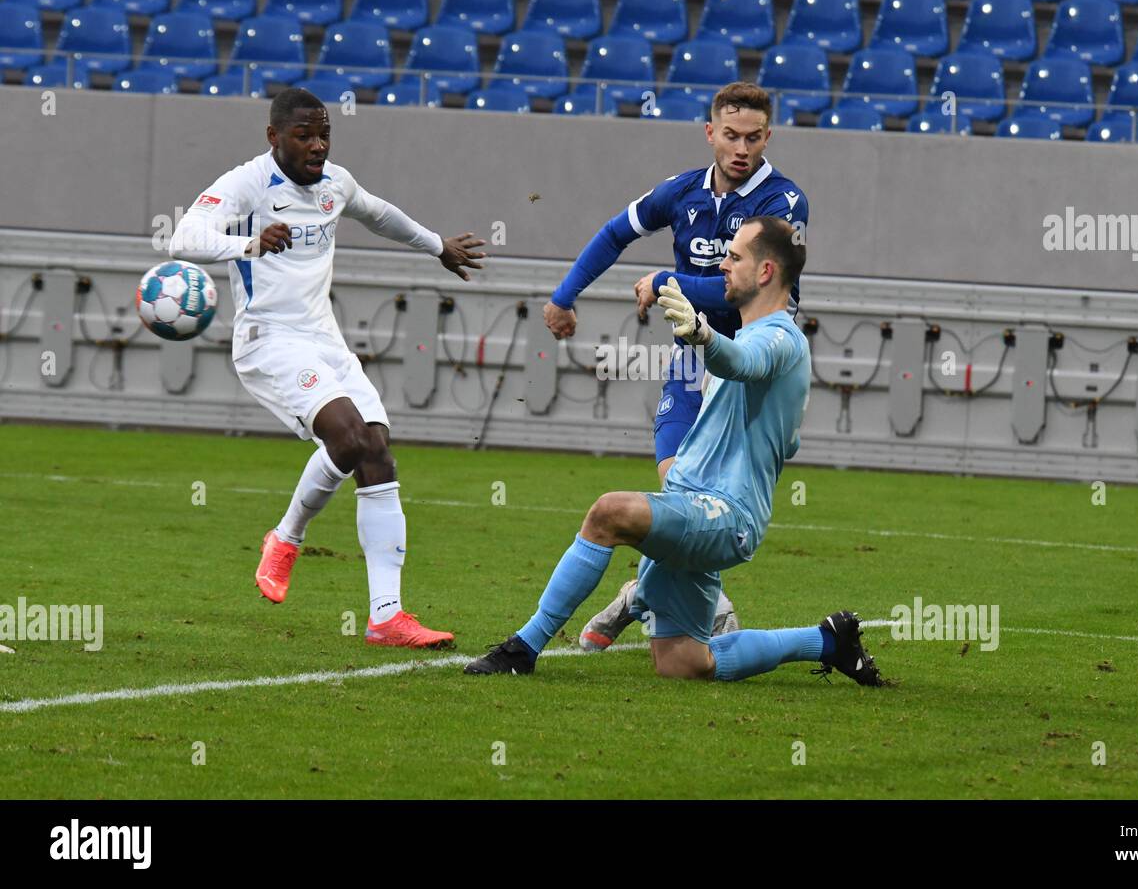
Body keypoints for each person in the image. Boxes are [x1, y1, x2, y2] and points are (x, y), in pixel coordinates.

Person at [465, 217, 881, 687]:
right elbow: (776, 424)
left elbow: (744, 362)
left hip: (724, 514)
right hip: (698, 504)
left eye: (735, 257)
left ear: (765, 272)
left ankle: (524, 647)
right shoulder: (758, 336)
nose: (722, 265)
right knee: (683, 663)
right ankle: (827, 641)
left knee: (609, 513)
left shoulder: (778, 337)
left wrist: (703, 335)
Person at [168, 87, 486, 648]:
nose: (317, 145)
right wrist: (246, 244)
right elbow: (183, 236)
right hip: (268, 341)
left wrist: (437, 245)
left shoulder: (335, 183)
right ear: (274, 138)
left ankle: (386, 616)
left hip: (323, 340)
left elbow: (380, 215)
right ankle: (288, 539)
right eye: (304, 135)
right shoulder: (248, 183)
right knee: (349, 434)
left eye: (324, 134)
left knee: (375, 450)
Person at [541, 82, 810, 651]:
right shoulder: (682, 192)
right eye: (731, 135)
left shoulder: (782, 204)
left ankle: (643, 597)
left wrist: (668, 282)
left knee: (695, 505)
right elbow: (616, 233)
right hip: (691, 363)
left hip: (749, 372)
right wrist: (565, 297)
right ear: (710, 132)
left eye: (753, 137)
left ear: (769, 136)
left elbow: (735, 290)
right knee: (674, 488)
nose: (741, 148)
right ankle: (672, 601)